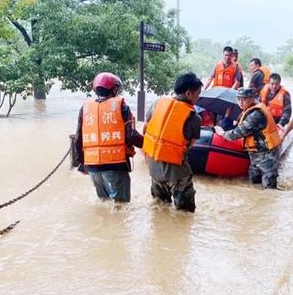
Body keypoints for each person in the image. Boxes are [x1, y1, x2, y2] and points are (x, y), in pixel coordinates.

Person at [75, 72, 143, 203]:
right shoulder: (122, 107)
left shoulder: (85, 108)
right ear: (114, 89)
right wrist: (148, 143)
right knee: (121, 206)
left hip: (93, 167)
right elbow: (131, 135)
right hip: (115, 165)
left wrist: (82, 163)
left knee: (104, 204)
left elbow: (79, 138)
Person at [143, 72, 203, 212]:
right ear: (189, 93)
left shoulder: (157, 104)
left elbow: (145, 129)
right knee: (185, 214)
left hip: (154, 168)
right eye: (198, 94)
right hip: (177, 173)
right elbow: (190, 144)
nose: (198, 98)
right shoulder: (194, 117)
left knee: (159, 209)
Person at [215, 88, 281, 189]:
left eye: (244, 99)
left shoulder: (256, 114)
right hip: (255, 156)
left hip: (267, 156)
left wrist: (222, 133)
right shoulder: (249, 110)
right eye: (238, 99)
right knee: (254, 186)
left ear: (252, 99)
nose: (241, 102)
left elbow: (237, 133)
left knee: (269, 189)